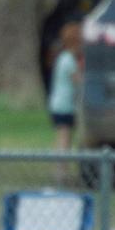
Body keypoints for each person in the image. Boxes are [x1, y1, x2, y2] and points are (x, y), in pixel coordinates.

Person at [47, 21, 82, 184]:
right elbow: (78, 81)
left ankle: (62, 172)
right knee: (64, 139)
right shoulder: (68, 60)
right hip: (64, 105)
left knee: (64, 139)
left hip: (60, 103)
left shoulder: (63, 57)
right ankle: (61, 174)